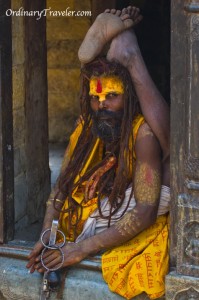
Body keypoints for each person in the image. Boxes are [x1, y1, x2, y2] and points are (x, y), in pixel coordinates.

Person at [27, 7, 170, 300]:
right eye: (95, 97)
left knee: (172, 155)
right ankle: (122, 45)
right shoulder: (87, 125)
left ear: (128, 98)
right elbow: (62, 185)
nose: (101, 104)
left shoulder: (142, 134)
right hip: (102, 205)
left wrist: (78, 250)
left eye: (112, 96)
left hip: (147, 197)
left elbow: (144, 212)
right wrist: (48, 231)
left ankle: (125, 50)